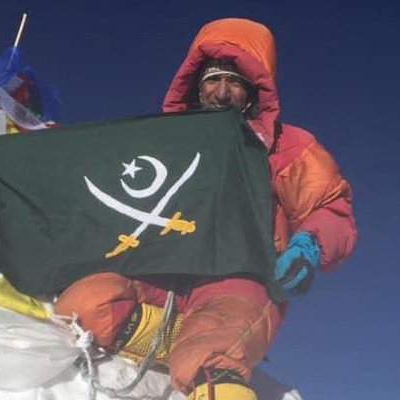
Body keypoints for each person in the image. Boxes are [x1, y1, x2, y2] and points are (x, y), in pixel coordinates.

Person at [54, 18, 357, 400]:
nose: (222, 92)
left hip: (238, 278)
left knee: (214, 358)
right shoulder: (168, 144)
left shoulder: (287, 146)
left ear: (253, 90)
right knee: (87, 304)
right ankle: (185, 339)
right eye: (213, 80)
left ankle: (206, 352)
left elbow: (328, 204)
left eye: (235, 81)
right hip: (166, 270)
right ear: (197, 85)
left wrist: (309, 245)